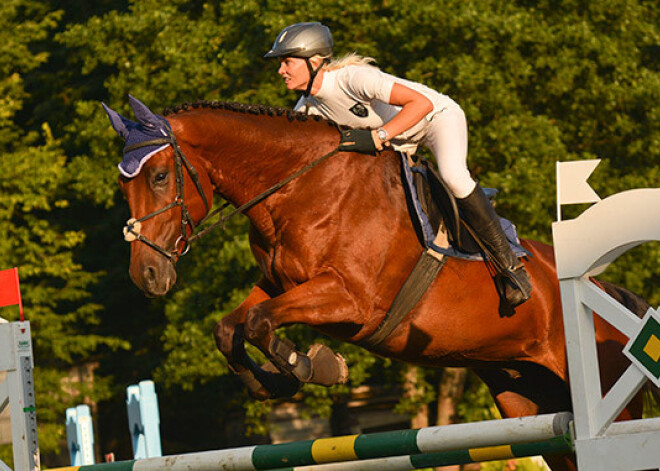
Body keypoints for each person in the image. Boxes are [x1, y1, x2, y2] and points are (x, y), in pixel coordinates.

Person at [264, 22, 532, 307]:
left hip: (435, 119)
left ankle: (510, 266)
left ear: (313, 61)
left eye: (287, 62)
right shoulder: (307, 109)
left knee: (454, 176)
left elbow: (420, 105)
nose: (281, 70)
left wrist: (378, 137)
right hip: (397, 144)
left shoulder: (353, 78)